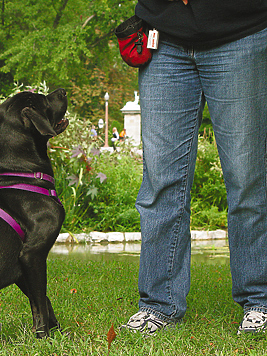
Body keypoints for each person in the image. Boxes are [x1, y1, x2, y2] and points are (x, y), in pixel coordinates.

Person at [121, 0, 267, 335]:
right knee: (160, 183)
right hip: (163, 37)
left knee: (247, 178)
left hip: (240, 32)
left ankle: (259, 298)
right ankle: (159, 304)